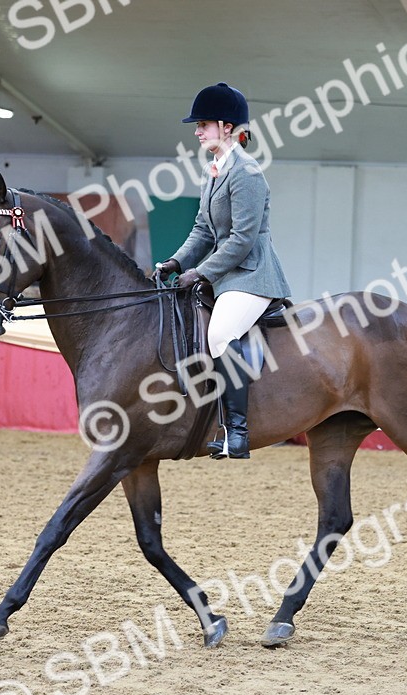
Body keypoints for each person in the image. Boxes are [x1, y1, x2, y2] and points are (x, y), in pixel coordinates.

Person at [151, 82, 292, 460]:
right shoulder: (212, 170)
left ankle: (238, 433)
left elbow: (243, 239)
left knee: (219, 334)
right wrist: (176, 262)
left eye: (204, 125)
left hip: (251, 274)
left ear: (227, 127)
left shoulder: (246, 172)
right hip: (226, 272)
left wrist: (202, 273)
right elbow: (202, 229)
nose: (197, 131)